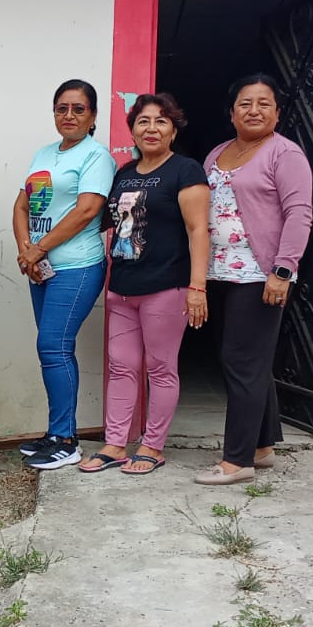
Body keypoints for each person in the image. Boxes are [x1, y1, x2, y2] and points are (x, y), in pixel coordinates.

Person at [81, 93, 210, 475]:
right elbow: (106, 220)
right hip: (122, 287)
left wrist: (197, 287)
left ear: (173, 130)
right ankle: (115, 444)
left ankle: (152, 446)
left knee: (160, 369)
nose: (151, 128)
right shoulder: (124, 174)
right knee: (121, 368)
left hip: (166, 287)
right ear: (133, 130)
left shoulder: (185, 170)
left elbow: (198, 230)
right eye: (143, 121)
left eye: (161, 121)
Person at [197, 73, 313, 485]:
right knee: (246, 360)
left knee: (243, 362)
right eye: (245, 103)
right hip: (219, 272)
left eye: (264, 103)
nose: (254, 110)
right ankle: (262, 446)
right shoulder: (216, 154)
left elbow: (299, 213)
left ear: (277, 113)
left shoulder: (286, 154)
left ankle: (237, 460)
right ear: (232, 113)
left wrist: (283, 270)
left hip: (260, 273)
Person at [12, 79, 115, 471]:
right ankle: (57, 432)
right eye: (62, 108)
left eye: (78, 109)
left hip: (76, 265)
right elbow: (22, 206)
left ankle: (66, 441)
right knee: (51, 349)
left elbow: (86, 211)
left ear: (93, 116)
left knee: (53, 345)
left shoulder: (96, 156)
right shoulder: (43, 153)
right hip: (40, 267)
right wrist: (27, 251)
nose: (69, 115)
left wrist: (38, 249)